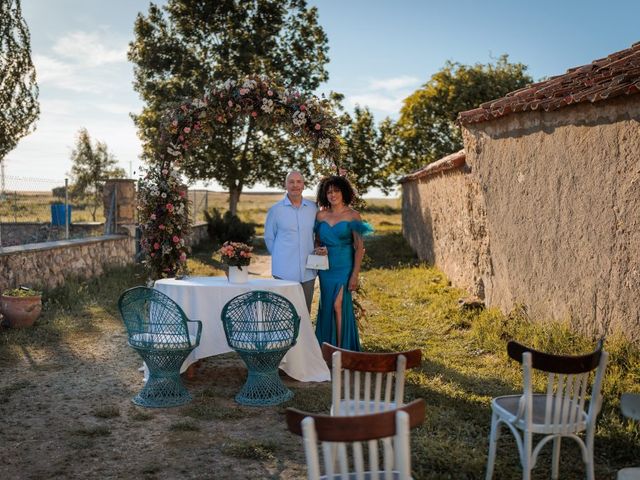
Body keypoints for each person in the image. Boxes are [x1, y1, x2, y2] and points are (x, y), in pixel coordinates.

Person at [313, 175, 373, 351]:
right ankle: (325, 350)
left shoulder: (353, 215)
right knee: (327, 306)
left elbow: (359, 246)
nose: (332, 194)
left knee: (338, 305)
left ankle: (342, 351)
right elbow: (317, 241)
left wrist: (355, 274)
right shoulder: (321, 215)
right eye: (329, 191)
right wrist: (320, 249)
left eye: (336, 190)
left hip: (344, 266)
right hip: (326, 269)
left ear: (343, 192)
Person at [264, 170, 317, 312]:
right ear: (285, 185)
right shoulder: (275, 210)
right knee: (283, 312)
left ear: (304, 185)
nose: (295, 185)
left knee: (305, 311)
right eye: (291, 182)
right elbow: (269, 238)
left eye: (299, 182)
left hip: (308, 271)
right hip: (283, 273)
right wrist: (280, 257)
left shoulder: (313, 208)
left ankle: (304, 335)